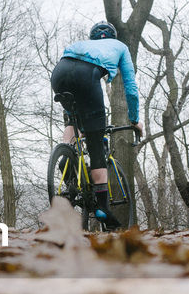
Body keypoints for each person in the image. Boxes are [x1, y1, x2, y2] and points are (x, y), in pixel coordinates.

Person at [50, 20, 143, 229]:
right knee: (95, 144)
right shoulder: (120, 47)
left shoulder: (79, 44)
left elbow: (71, 86)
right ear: (113, 36)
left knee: (73, 120)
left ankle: (67, 155)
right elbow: (130, 86)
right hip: (88, 77)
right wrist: (135, 119)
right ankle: (103, 207)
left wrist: (73, 118)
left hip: (59, 74)